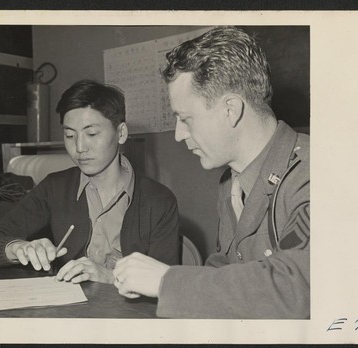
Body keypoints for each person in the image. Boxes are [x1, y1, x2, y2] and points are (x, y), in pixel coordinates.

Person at [113, 26, 310, 318]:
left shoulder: (313, 173)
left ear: (231, 110)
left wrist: (166, 282)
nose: (179, 134)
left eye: (186, 119)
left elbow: (299, 288)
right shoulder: (231, 181)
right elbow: (225, 268)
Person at [0, 79, 180, 284]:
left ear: (121, 133)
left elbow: (168, 285)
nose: (80, 147)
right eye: (70, 135)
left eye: (91, 133)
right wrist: (18, 248)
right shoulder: (54, 188)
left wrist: (110, 278)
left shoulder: (159, 201)